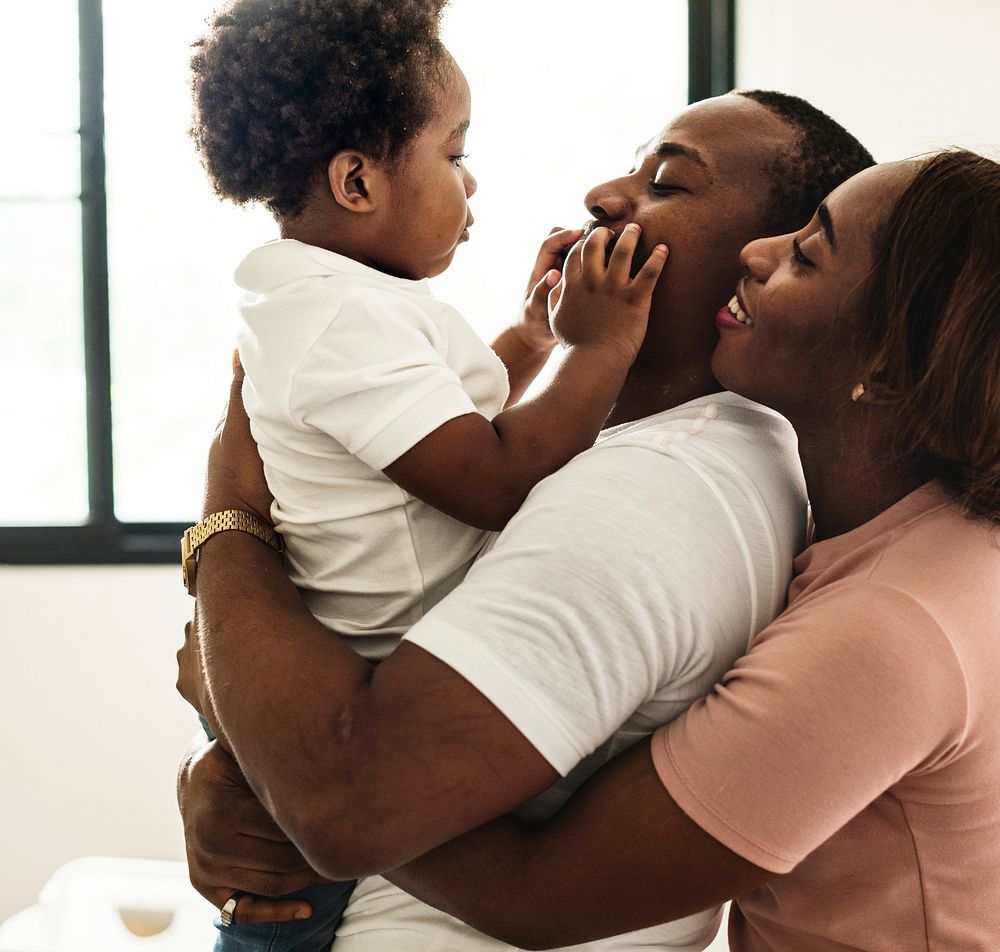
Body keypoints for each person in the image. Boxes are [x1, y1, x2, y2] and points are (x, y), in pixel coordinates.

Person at [177, 91, 875, 951]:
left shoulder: (660, 483)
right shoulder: (636, 449)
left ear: (762, 263)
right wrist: (246, 755)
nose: (604, 196)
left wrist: (228, 528)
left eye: (665, 183)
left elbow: (344, 804)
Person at [347, 150, 1000, 951]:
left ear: (891, 367)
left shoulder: (890, 625)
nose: (757, 254)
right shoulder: (908, 534)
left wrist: (299, 793)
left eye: (805, 252)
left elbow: (533, 894)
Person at [186, 1, 663, 947]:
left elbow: (436, 427)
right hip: (342, 700)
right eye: (454, 154)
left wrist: (531, 342)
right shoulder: (337, 318)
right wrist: (600, 346)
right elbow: (488, 477)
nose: (472, 181)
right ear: (358, 180)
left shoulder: (343, 302)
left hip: (359, 679)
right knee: (280, 919)